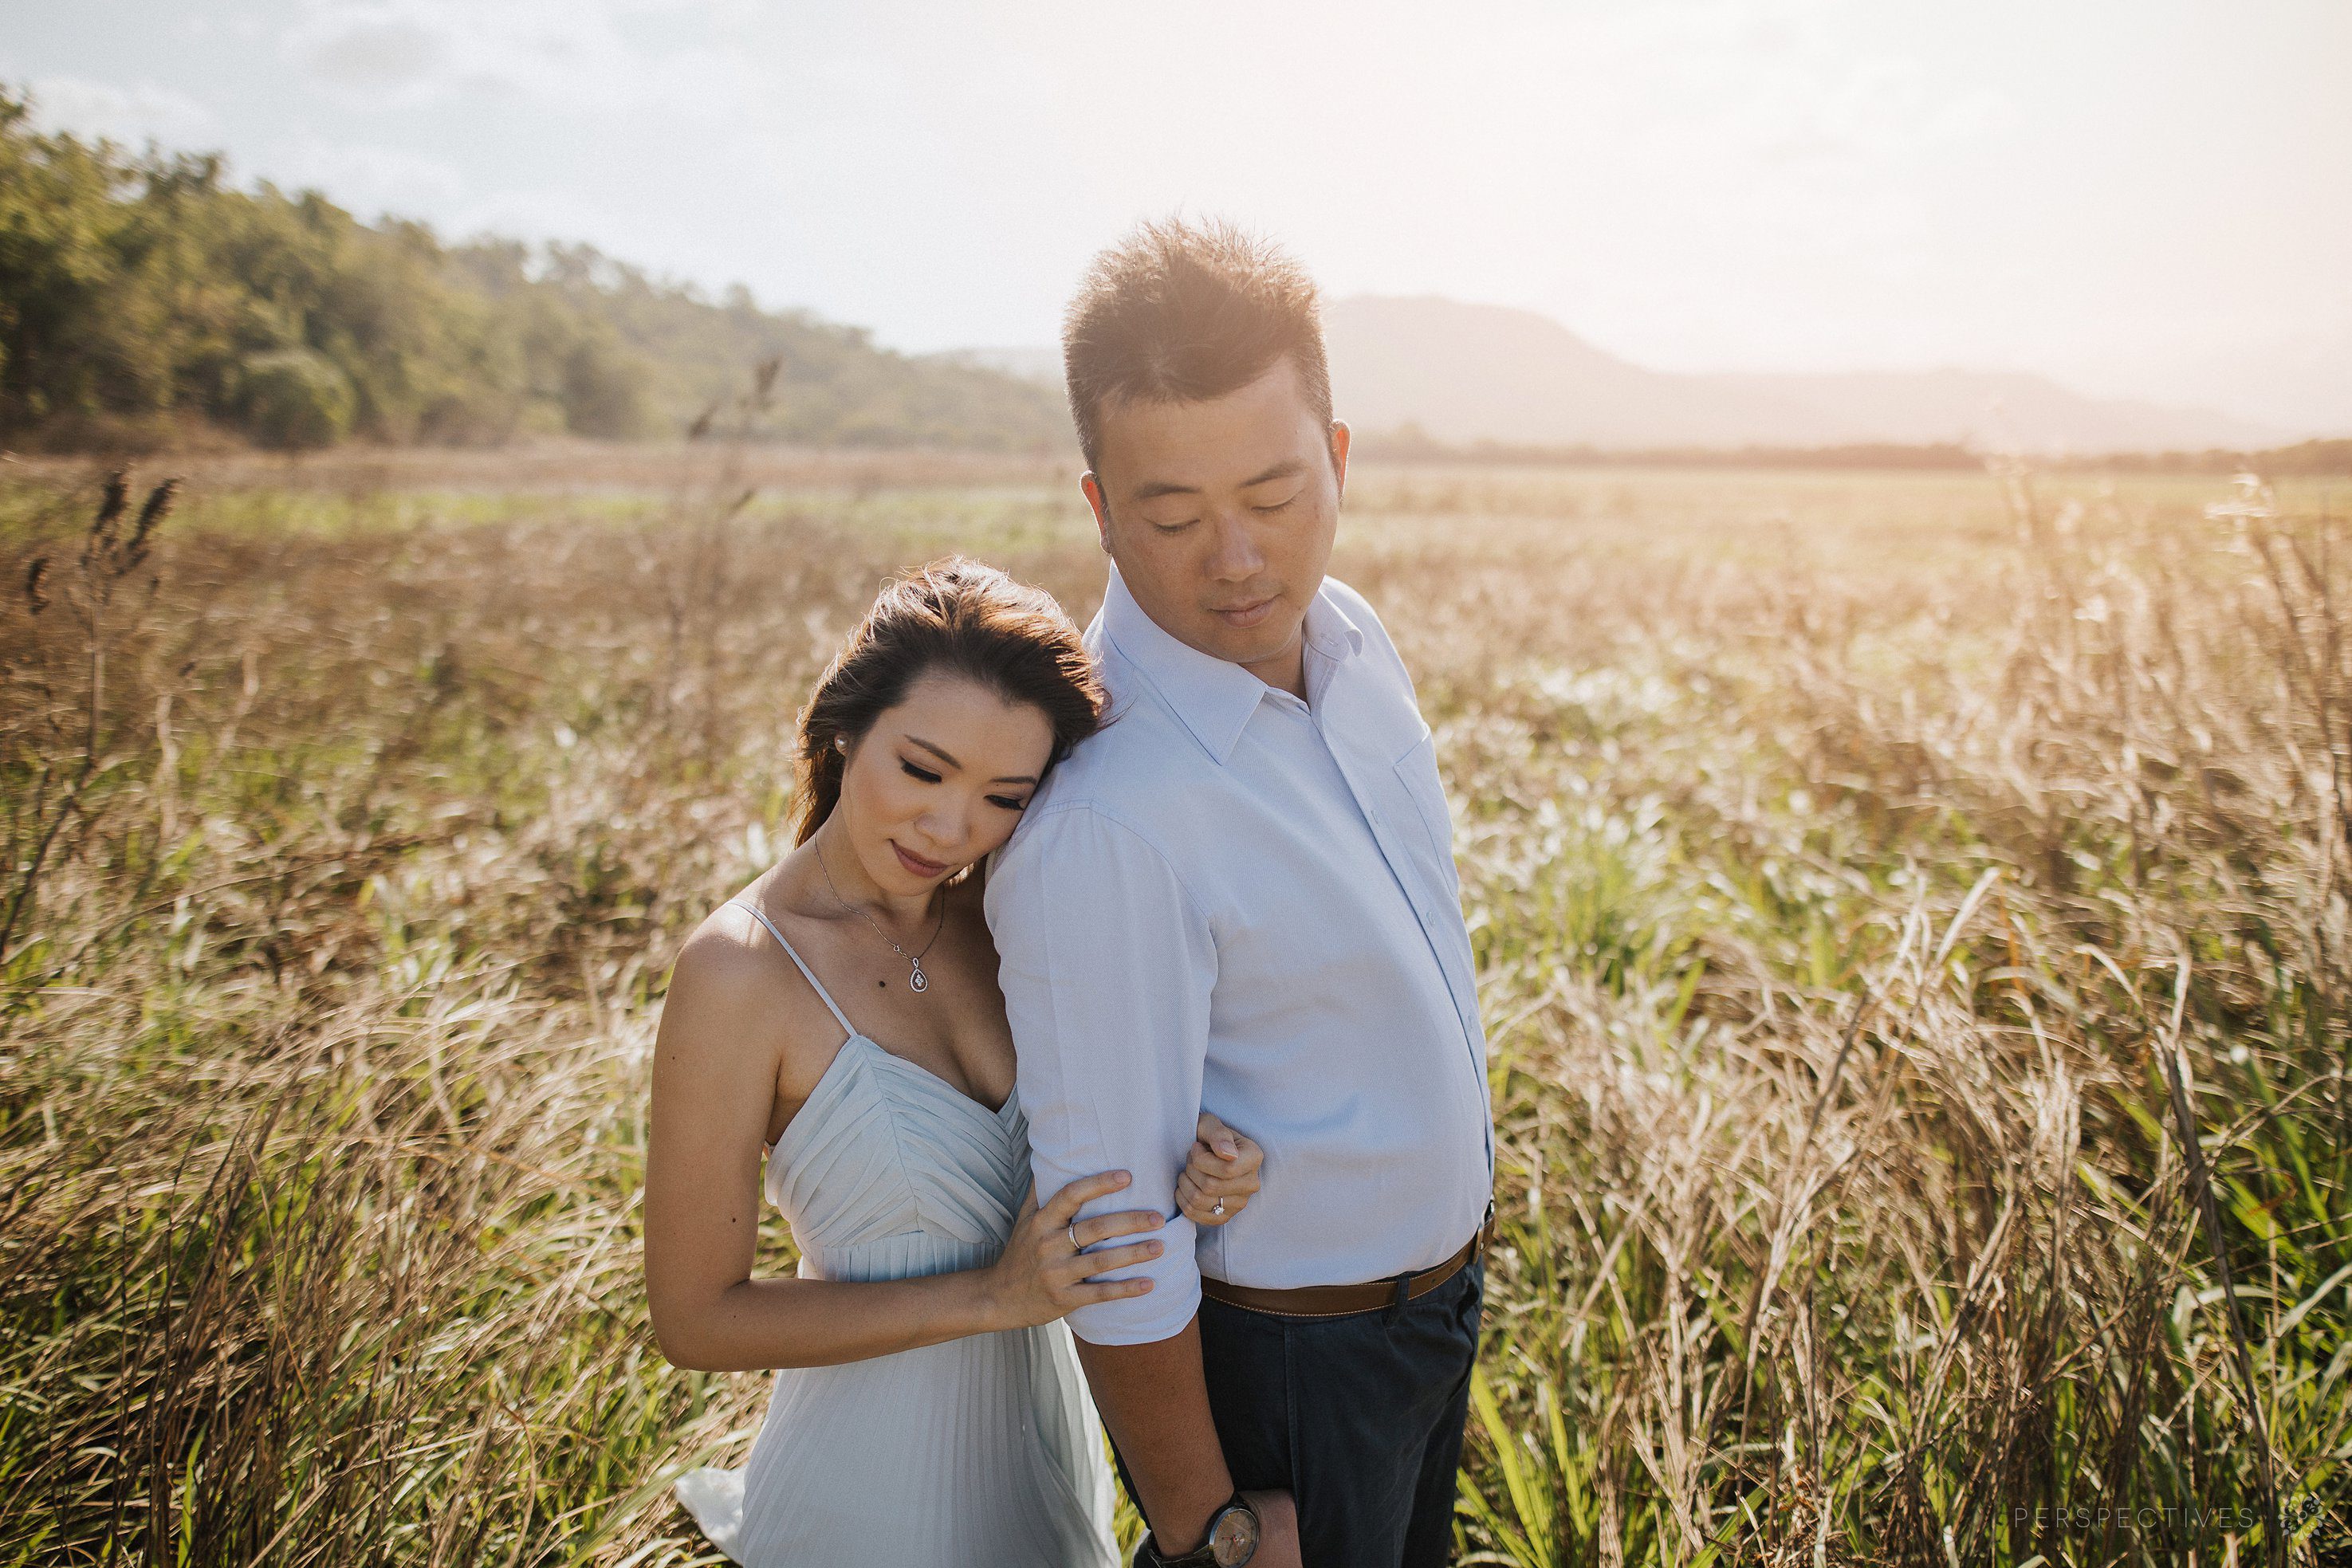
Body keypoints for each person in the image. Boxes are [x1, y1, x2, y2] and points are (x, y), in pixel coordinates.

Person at [988, 219, 1494, 1568]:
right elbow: (1112, 1235)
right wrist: (1206, 1526)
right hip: (1287, 1373)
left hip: (1429, 1323)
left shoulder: (1354, 639)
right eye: (1172, 516)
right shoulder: (1108, 820)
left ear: (1336, 459)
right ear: (1098, 508)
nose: (1237, 562)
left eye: (1274, 499)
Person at [643, 558, 1267, 1567]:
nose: (950, 828)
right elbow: (696, 1316)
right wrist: (988, 1295)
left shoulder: (1010, 915)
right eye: (922, 769)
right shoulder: (740, 969)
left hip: (1047, 1459)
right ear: (847, 726)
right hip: (866, 1498)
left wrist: (1197, 1160)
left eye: (1002, 796)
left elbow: (1102, 1136)